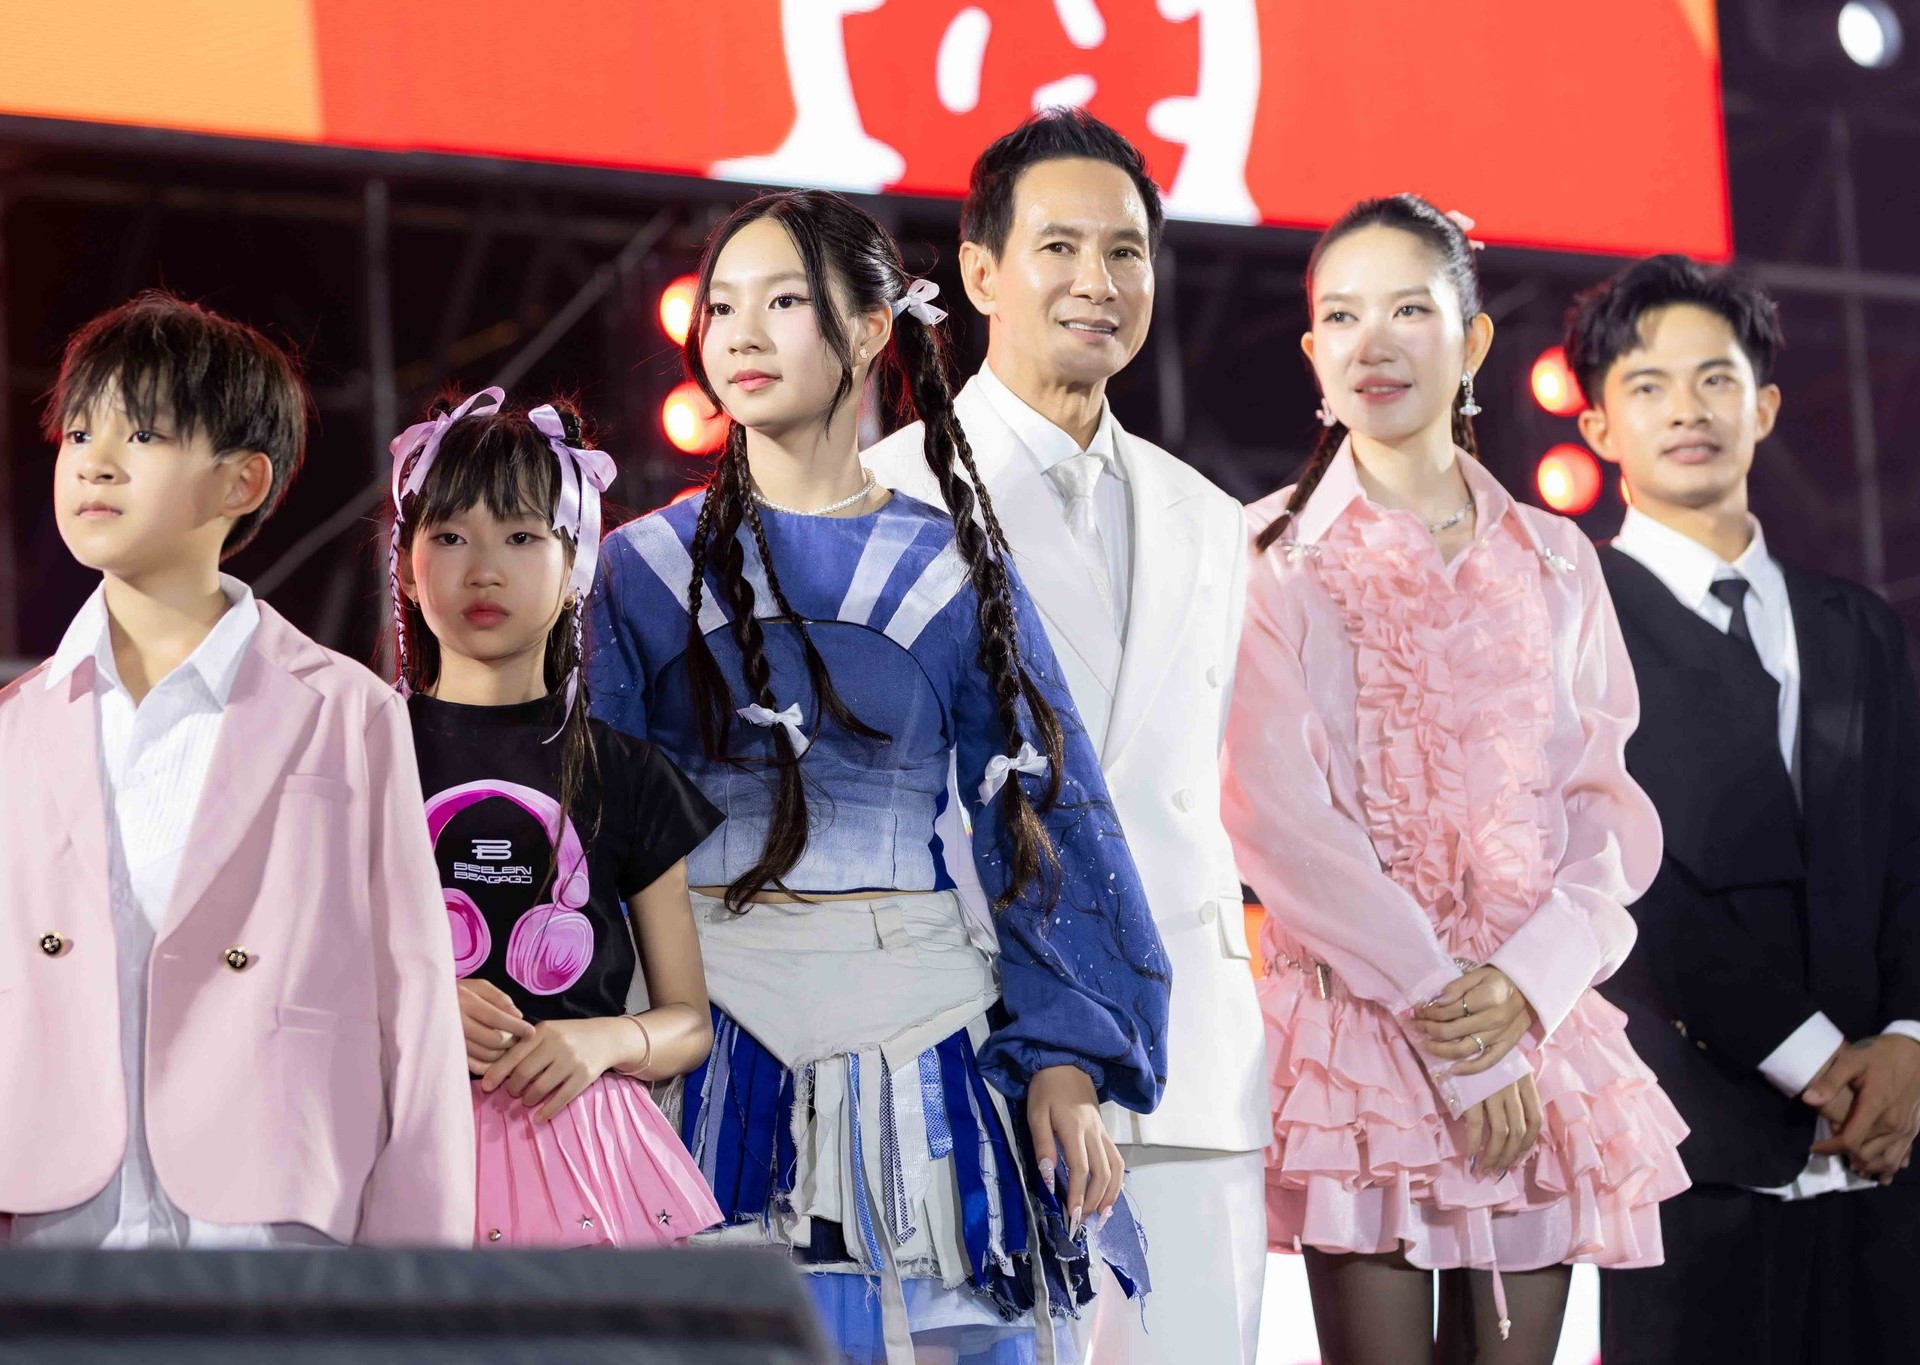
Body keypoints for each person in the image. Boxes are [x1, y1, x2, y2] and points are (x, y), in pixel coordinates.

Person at [588, 188, 1170, 1365]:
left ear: (867, 330)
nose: (740, 336)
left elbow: (1046, 812)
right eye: (721, 307)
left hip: (925, 1033)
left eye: (783, 303)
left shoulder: (953, 564)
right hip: (700, 1034)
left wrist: (1064, 1054)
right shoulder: (638, 567)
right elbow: (583, 844)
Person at [1220, 195, 1689, 1364]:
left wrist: (1531, 985)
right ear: (1312, 352)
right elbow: (1278, 819)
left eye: (1409, 311)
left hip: (1533, 1024)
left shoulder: (1556, 556)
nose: (1372, 344)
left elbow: (1606, 808)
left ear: (1472, 340)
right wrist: (1450, 1020)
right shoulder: (1268, 554)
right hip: (1367, 1029)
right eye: (1342, 316)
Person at [865, 107, 1267, 1365]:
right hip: (983, 1050)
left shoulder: (1210, 517)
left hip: (1194, 1061)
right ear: (981, 273)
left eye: (1126, 251)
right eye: (1060, 247)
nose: (1098, 280)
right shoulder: (892, 494)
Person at [0, 291, 472, 1248]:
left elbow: (418, 1000)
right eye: (78, 432)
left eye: (142, 434)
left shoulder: (347, 714)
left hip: (274, 1218)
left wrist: (421, 1281)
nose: (93, 461)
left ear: (242, 481)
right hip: (54, 1221)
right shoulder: (16, 726)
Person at [1567, 255, 1920, 1365]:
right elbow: (1618, 879)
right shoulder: (1570, 621)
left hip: (1885, 1157)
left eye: (1716, 379)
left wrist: (1907, 1043)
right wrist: (1812, 1058)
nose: (1689, 410)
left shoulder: (1857, 624)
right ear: (1598, 425)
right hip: (1690, 1155)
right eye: (1650, 385)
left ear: (1764, 406)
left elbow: (1909, 847)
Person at [386, 389, 724, 1248]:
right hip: (400, 1131)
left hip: (584, 1156)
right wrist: (414, 1001)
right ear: (407, 564)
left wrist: (603, 1040)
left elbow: (689, 1021)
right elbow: (294, 976)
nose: (483, 568)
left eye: (521, 536)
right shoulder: (357, 755)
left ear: (576, 561)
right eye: (450, 536)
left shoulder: (627, 772)